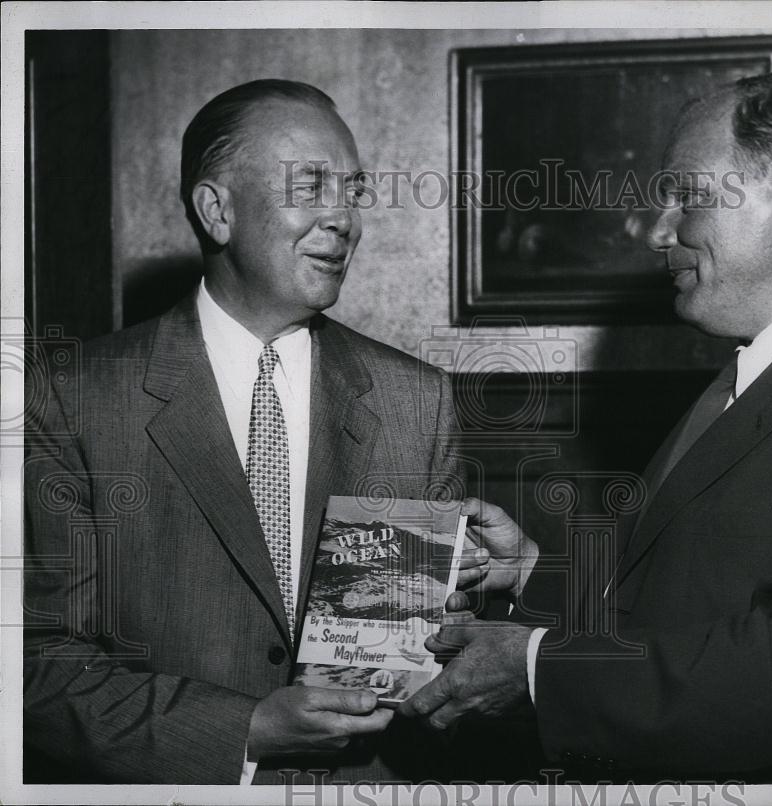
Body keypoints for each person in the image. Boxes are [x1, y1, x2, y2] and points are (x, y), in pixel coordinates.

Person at [400, 71, 772, 783]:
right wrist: (536, 575)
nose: (656, 229)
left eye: (686, 194)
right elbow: (683, 597)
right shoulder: (752, 371)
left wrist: (537, 669)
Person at [23, 79, 477, 784]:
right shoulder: (73, 396)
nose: (343, 219)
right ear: (216, 211)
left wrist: (484, 591)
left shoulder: (415, 401)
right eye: (312, 185)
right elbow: (37, 664)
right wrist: (244, 731)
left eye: (353, 191)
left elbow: (437, 661)